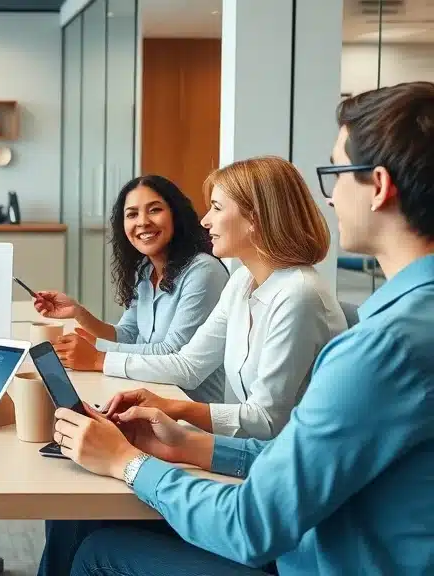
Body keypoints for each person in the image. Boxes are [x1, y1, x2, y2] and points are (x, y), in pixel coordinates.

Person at [42, 81, 434, 575]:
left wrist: (128, 462)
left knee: (96, 550)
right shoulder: (397, 322)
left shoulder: (381, 347)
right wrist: (183, 443)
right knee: (82, 517)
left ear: (378, 186)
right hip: (309, 529)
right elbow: (297, 461)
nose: (331, 198)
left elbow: (252, 525)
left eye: (335, 174)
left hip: (303, 554)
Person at [98, 157, 346, 441]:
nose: (205, 221)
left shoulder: (298, 294)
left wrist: (174, 408)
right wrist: (111, 367)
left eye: (216, 208)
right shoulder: (242, 281)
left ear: (255, 218)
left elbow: (266, 421)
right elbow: (189, 366)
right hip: (256, 447)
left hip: (291, 456)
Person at [32, 175, 229, 403]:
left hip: (187, 405)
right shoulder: (145, 269)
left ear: (176, 214)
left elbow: (172, 352)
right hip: (145, 391)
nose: (142, 222)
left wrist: (97, 354)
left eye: (154, 210)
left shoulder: (204, 271)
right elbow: (128, 334)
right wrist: (78, 312)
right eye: (132, 214)